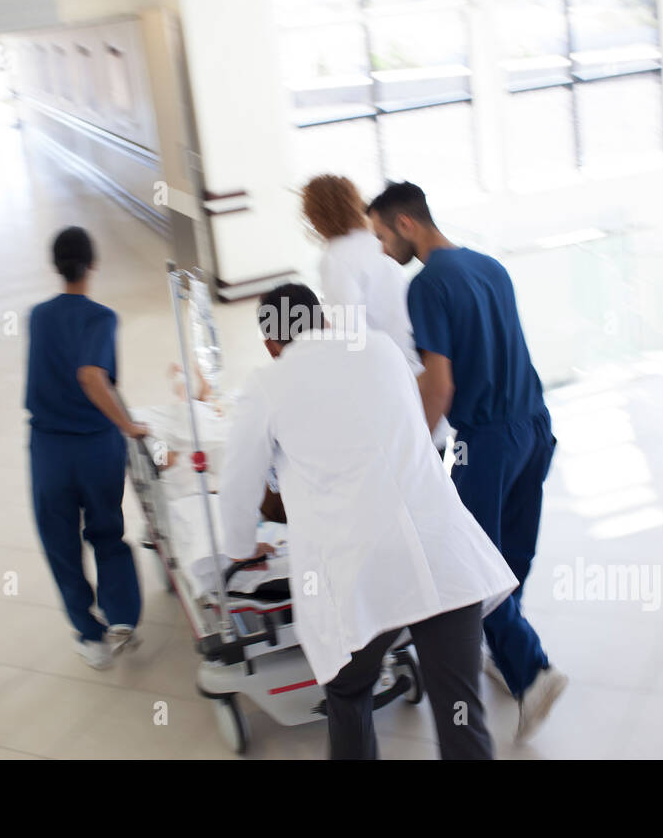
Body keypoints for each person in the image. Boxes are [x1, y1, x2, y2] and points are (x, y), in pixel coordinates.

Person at [218, 283, 517, 760]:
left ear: (271, 344)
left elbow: (237, 483)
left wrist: (240, 546)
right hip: (445, 554)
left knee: (348, 693)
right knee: (461, 714)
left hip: (363, 576)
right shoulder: (379, 347)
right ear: (323, 321)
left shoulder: (267, 384)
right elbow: (421, 428)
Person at [367, 181, 568, 744]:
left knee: (470, 567)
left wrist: (415, 453)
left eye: (383, 235)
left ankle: (532, 671)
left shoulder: (426, 284)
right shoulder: (490, 265)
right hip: (535, 424)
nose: (383, 250)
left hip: (485, 443)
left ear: (406, 223)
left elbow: (442, 383)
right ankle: (509, 658)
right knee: (511, 551)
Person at [24, 226, 147, 670]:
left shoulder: (36, 316)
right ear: (93, 264)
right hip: (96, 448)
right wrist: (128, 426)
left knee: (60, 542)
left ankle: (89, 635)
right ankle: (122, 618)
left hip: (50, 450)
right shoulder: (101, 317)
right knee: (106, 532)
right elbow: (92, 376)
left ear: (55, 266)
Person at [301, 173, 451, 448]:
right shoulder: (381, 240)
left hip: (392, 387)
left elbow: (352, 338)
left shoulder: (335, 257)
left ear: (315, 216)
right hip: (426, 375)